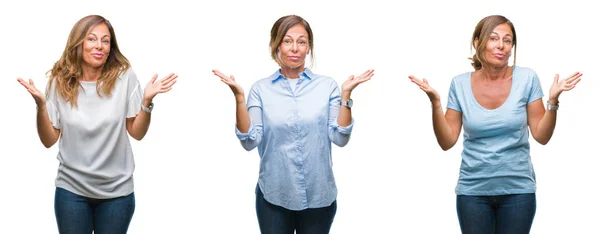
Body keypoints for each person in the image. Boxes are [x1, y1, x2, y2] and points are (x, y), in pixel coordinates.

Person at [409, 15, 582, 234]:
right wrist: (435, 104)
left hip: (518, 191)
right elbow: (447, 141)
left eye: (507, 40)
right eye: (493, 38)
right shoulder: (459, 84)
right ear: (477, 42)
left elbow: (542, 135)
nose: (501, 45)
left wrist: (553, 101)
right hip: (473, 192)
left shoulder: (527, 78)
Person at [16, 15, 178, 234]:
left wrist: (147, 102)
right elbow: (48, 140)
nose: (99, 46)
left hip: (117, 193)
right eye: (92, 39)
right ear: (78, 43)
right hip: (71, 190)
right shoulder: (59, 80)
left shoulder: (124, 77)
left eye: (105, 40)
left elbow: (137, 133)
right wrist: (41, 107)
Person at [213, 15, 373, 234]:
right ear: (275, 45)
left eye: (302, 41)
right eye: (287, 41)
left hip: (319, 197)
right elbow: (250, 141)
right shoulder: (260, 89)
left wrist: (346, 95)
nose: (294, 48)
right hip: (274, 196)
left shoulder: (327, 86)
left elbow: (340, 138)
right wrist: (240, 98)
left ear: (309, 48)